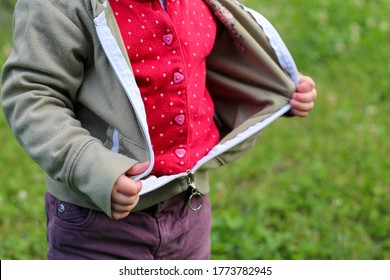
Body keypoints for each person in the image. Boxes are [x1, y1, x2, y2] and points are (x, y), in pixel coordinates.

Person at [1, 0, 317, 259]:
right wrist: (91, 166)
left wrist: (275, 89)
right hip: (97, 223)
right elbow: (32, 95)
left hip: (189, 208)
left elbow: (212, 59)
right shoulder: (60, 5)